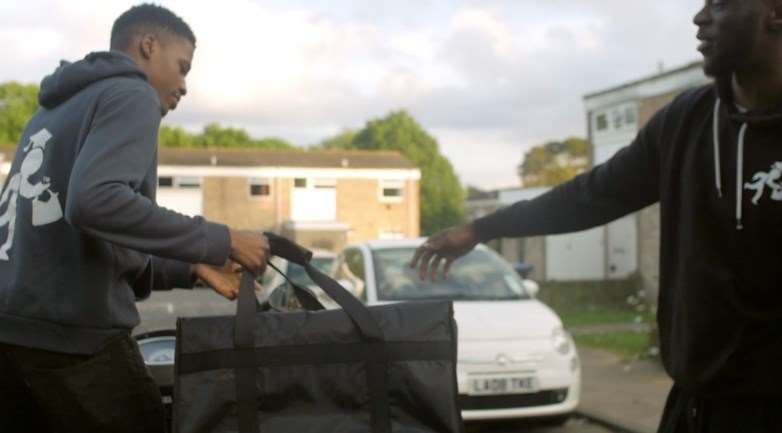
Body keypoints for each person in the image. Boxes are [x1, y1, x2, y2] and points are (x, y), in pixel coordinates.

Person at [412, 1, 782, 432]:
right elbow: (591, 196)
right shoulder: (684, 122)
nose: (700, 19)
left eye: (720, 4)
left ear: (775, 12)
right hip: (698, 406)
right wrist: (483, 228)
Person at [0, 4, 270, 433]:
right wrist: (224, 240)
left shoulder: (51, 112)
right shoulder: (131, 93)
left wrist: (190, 263)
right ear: (148, 45)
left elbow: (83, 236)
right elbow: (96, 202)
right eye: (182, 68)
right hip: (76, 341)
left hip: (14, 336)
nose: (184, 87)